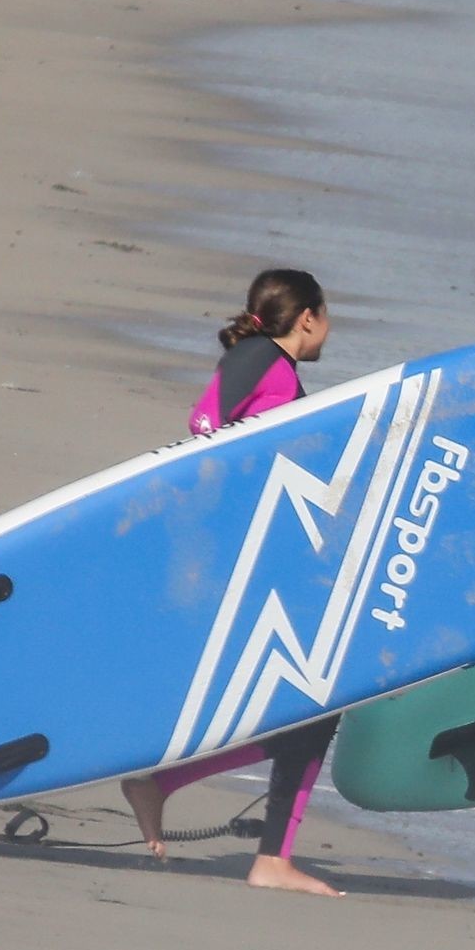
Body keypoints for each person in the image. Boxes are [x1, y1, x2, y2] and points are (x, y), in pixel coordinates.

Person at [121, 267, 343, 897]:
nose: (329, 329)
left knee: (311, 708)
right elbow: (206, 429)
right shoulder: (263, 358)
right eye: (327, 316)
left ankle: (167, 786)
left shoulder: (271, 366)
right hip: (246, 558)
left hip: (259, 552)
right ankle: (269, 858)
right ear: (308, 317)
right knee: (316, 700)